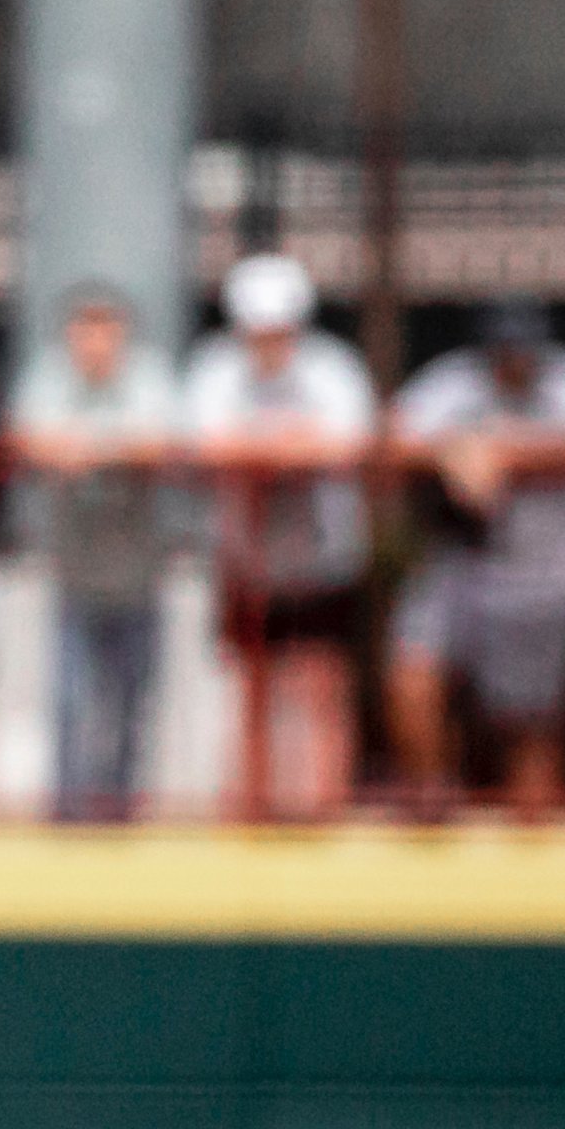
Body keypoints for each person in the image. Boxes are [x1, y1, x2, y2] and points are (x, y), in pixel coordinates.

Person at [385, 300, 565, 818]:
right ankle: (435, 805)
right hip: (460, 564)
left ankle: (532, 859)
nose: (514, 361)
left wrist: (512, 452)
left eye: (523, 349)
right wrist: (451, 452)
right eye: (503, 350)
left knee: (529, 725)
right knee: (411, 675)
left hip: (545, 576)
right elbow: (391, 439)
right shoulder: (455, 382)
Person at [180, 253, 378, 820]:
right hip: (245, 561)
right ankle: (252, 816)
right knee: (249, 694)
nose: (269, 342)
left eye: (279, 331)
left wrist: (261, 447)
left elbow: (347, 445)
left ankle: (322, 815)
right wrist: (288, 444)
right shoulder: (215, 370)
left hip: (324, 560)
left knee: (320, 689)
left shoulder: (334, 371)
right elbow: (204, 446)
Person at [8, 282, 181, 819]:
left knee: (131, 704)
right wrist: (108, 447)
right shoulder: (49, 375)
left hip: (140, 574)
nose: (97, 338)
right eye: (87, 325)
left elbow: (162, 443)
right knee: (71, 703)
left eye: (107, 325)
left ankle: (120, 819)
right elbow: (27, 438)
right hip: (75, 574)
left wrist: (91, 448)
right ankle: (69, 819)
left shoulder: (149, 376)